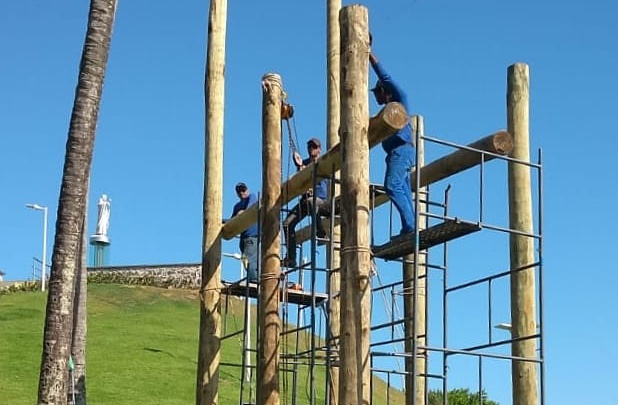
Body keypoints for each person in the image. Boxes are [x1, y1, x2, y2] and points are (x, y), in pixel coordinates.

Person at [369, 49, 416, 236]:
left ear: (384, 92)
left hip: (401, 151)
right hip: (397, 154)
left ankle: (410, 226)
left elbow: (387, 78)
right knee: (403, 189)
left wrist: (371, 57)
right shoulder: (384, 113)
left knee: (393, 186)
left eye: (377, 93)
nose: (376, 98)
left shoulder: (399, 101)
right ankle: (410, 225)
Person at [282, 138, 328, 268]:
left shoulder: (323, 161)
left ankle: (321, 233)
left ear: (319, 149)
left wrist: (303, 168)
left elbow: (317, 177)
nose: (312, 149)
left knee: (311, 202)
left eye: (314, 147)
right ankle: (291, 258)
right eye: (310, 147)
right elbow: (300, 179)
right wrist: (299, 166)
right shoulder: (305, 163)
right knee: (287, 224)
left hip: (319, 199)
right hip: (305, 201)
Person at [232, 182, 259, 282]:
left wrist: (241, 213)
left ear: (247, 190)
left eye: (243, 190)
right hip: (244, 237)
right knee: (247, 258)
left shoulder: (252, 197)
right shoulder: (237, 206)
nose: (242, 192)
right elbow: (232, 220)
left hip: (252, 235)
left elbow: (250, 208)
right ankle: (254, 277)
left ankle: (254, 279)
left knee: (249, 257)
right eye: (239, 191)